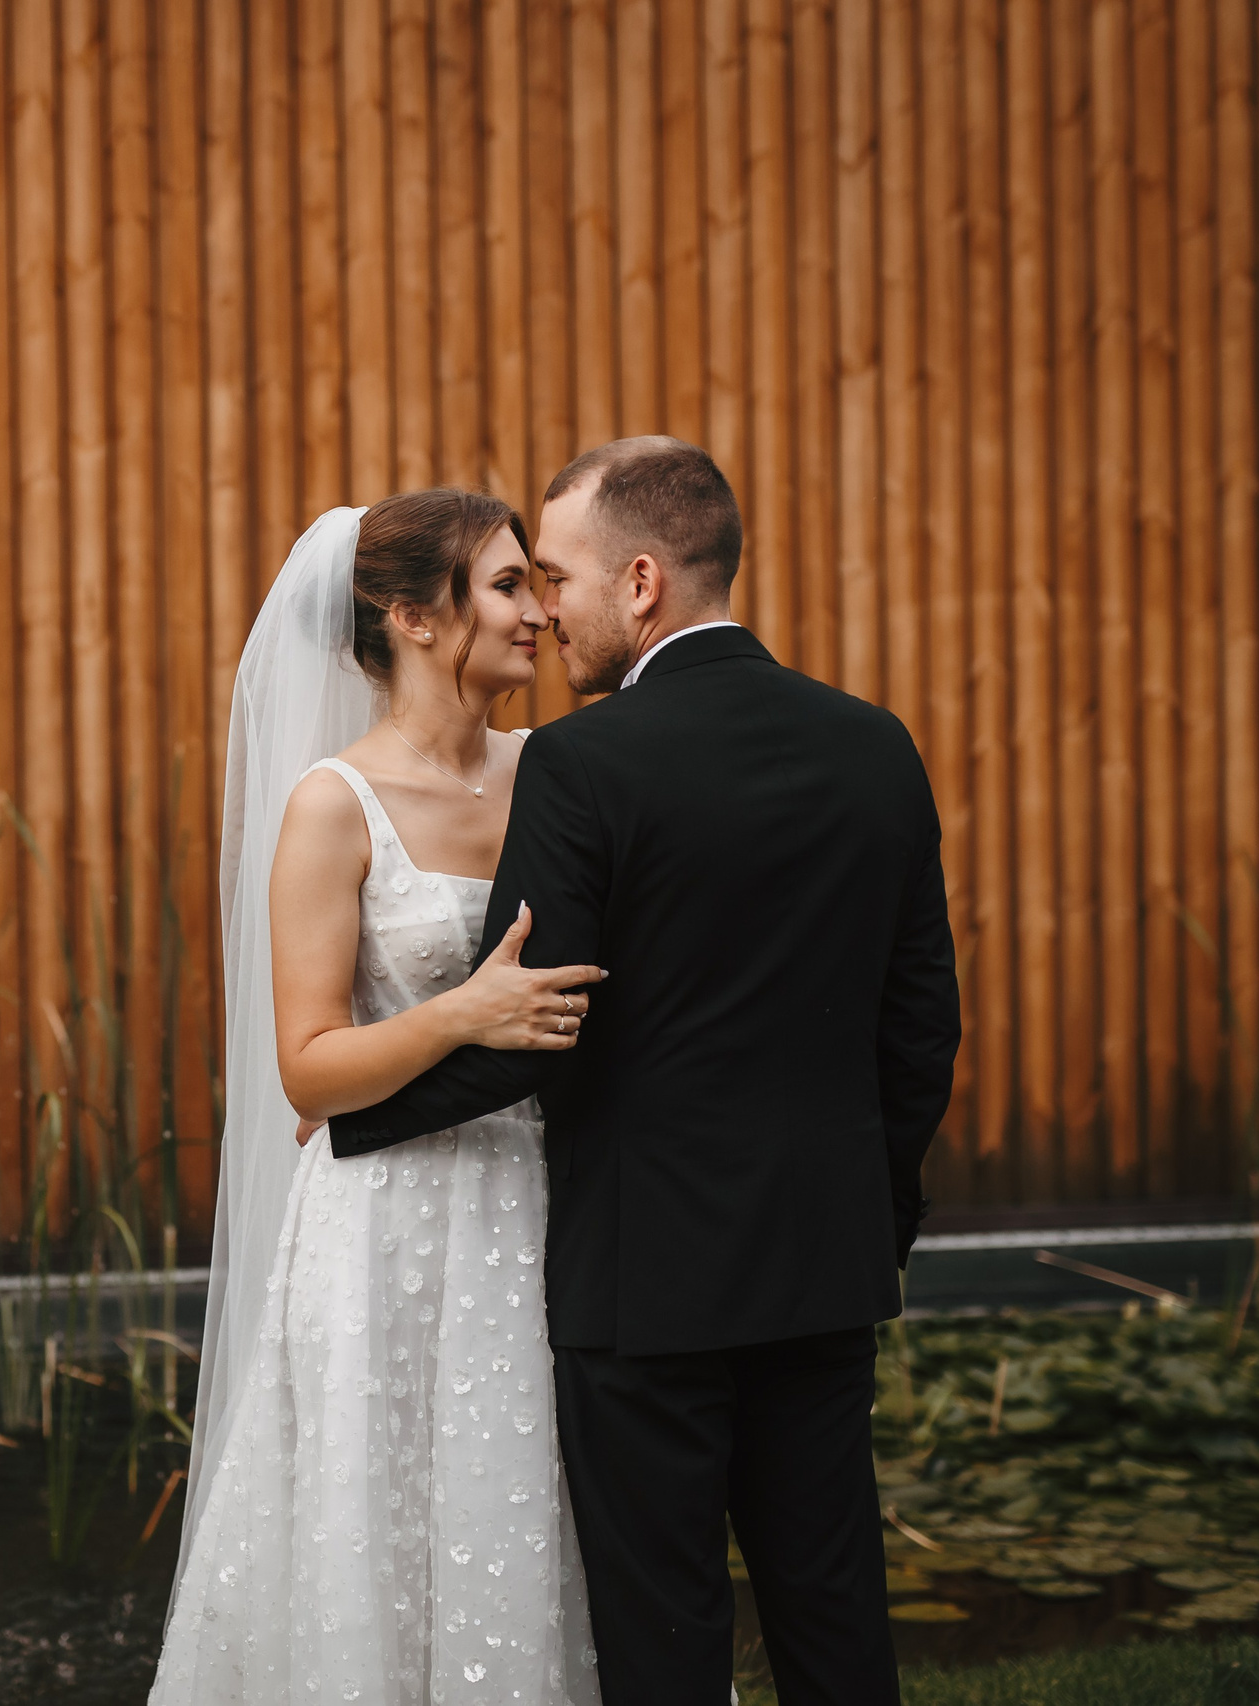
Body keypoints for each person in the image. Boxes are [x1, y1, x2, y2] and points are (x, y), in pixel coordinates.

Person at [332, 438, 962, 1706]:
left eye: (554, 577)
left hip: (643, 1277)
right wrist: (874, 1213)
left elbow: (538, 1014)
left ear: (638, 582)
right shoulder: (874, 742)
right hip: (823, 1261)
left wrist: (354, 1118)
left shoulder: (584, 762)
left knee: (661, 1633)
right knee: (834, 1616)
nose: (544, 608)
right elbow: (920, 1028)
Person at [152, 489, 609, 1706]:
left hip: (541, 1205)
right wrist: (460, 1012)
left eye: (537, 582)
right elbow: (306, 1066)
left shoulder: (558, 772)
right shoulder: (330, 804)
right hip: (382, 1221)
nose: (540, 611)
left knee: (528, 1504)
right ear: (412, 615)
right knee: (378, 1512)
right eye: (509, 585)